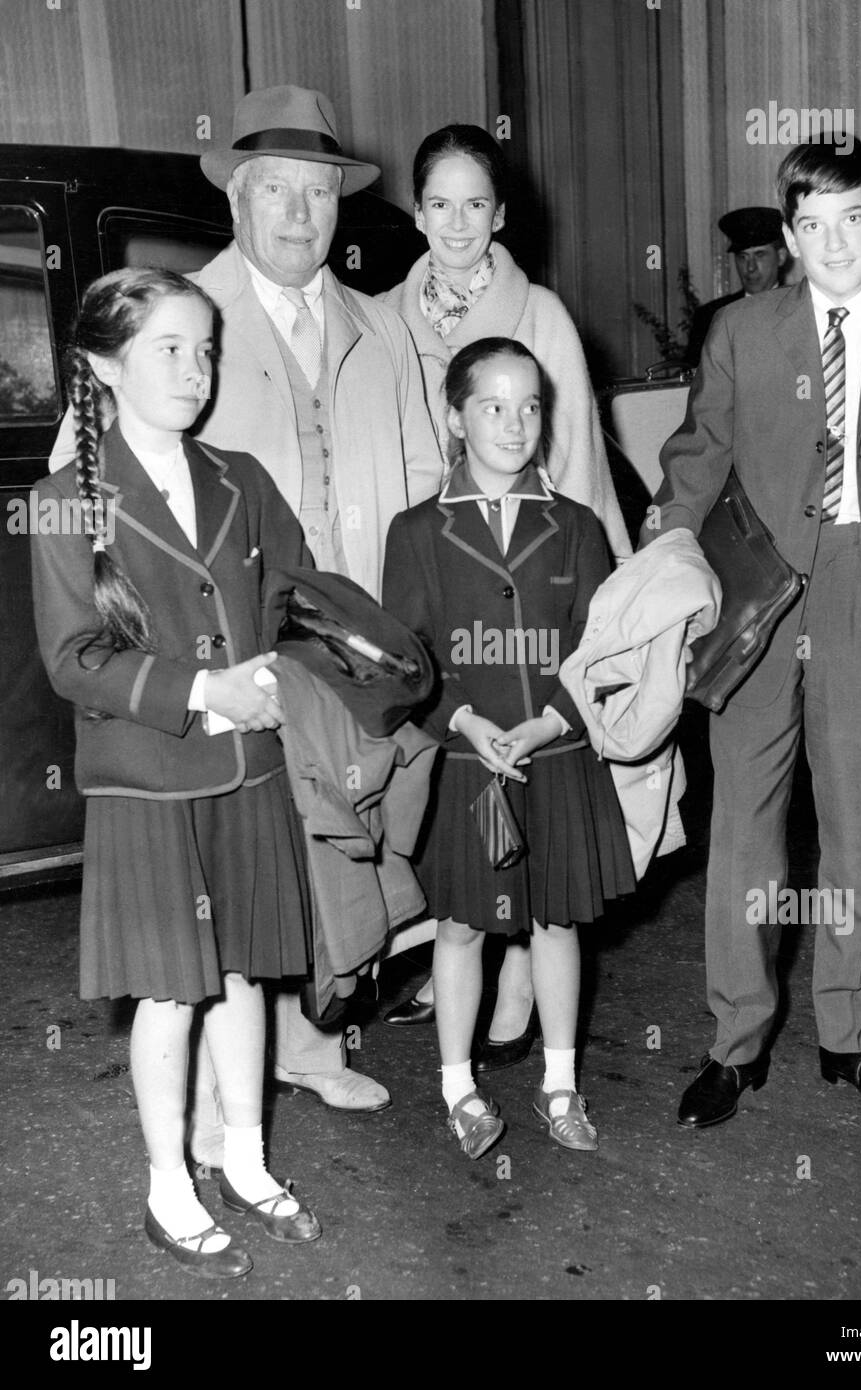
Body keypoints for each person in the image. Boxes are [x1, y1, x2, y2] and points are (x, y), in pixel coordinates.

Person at [50, 86, 448, 1135]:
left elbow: (423, 484)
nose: (300, 213)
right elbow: (87, 482)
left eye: (318, 191)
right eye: (276, 189)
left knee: (340, 844)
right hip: (226, 660)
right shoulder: (183, 319)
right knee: (245, 868)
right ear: (235, 198)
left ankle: (306, 1048)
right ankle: (241, 1084)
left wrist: (397, 637)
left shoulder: (382, 328)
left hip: (340, 640)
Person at [645, 138, 861, 1129]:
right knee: (742, 832)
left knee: (855, 828)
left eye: (851, 219)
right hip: (758, 596)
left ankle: (850, 1034)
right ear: (789, 237)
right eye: (811, 224)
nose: (832, 243)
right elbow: (696, 460)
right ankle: (734, 1041)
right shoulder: (742, 331)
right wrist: (663, 560)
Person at [31, 269, 321, 1277]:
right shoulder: (62, 504)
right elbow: (74, 660)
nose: (196, 371)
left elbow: (300, 597)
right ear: (105, 366)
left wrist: (287, 678)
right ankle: (168, 1183)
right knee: (169, 991)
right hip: (148, 781)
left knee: (242, 975)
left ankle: (245, 1157)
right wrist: (205, 689)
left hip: (248, 770)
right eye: (168, 349)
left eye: (206, 350)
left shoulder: (241, 477)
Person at [379, 123, 631, 1052]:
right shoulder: (384, 313)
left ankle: (522, 972)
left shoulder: (544, 314)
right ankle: (459, 948)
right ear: (415, 213)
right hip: (438, 562)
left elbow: (575, 460)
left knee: (542, 820)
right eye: (439, 204)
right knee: (450, 804)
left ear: (500, 215)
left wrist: (595, 584)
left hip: (532, 562)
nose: (456, 223)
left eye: (475, 204)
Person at [382, 337, 636, 1158]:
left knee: (556, 923)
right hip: (468, 764)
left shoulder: (576, 526)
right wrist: (462, 720)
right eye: (492, 406)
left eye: (529, 406)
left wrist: (554, 720)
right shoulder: (417, 530)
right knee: (460, 929)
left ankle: (559, 1082)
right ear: (456, 418)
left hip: (554, 757)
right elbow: (406, 659)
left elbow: (598, 649)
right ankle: (458, 1088)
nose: (514, 423)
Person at [685, 206, 788, 366]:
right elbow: (694, 375)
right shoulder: (710, 317)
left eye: (760, 255)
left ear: (781, 257)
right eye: (743, 257)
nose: (750, 267)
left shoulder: (801, 309)